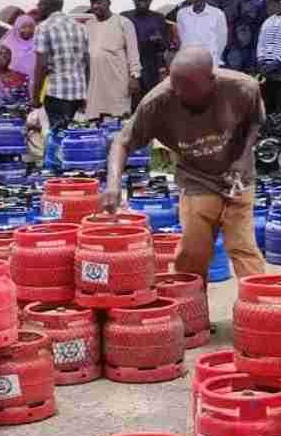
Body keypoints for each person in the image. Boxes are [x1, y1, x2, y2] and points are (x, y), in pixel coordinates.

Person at [103, 47, 266, 283]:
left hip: (238, 177)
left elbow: (255, 121)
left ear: (212, 80)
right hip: (196, 178)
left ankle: (258, 307)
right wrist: (112, 184)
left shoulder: (242, 87)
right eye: (177, 90)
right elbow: (122, 142)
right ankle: (191, 310)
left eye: (191, 92)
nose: (182, 97)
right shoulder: (158, 102)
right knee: (193, 254)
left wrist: (242, 158)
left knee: (244, 248)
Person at [30, 0, 90, 128]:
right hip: (78, 93)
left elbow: (42, 66)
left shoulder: (43, 28)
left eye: (39, 5)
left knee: (57, 137)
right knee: (73, 135)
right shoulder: (81, 27)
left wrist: (35, 98)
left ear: (45, 6)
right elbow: (87, 64)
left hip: (57, 93)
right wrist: (86, 93)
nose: (38, 8)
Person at [84, 0, 141, 119]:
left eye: (100, 2)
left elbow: (133, 52)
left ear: (109, 2)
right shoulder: (88, 25)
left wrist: (134, 76)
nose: (95, 6)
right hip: (95, 82)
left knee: (119, 119)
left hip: (118, 80)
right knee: (95, 120)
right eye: (93, 3)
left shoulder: (123, 22)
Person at [120, 0, 170, 109]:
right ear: (133, 1)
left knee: (152, 104)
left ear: (150, 1)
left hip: (152, 68)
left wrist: (158, 40)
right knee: (132, 106)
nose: (142, 3)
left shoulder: (158, 18)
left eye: (145, 0)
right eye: (138, 0)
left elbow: (165, 44)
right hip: (129, 68)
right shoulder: (125, 16)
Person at [175, 0, 227, 65]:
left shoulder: (217, 14)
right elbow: (182, 36)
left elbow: (222, 40)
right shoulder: (182, 14)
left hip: (210, 60)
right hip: (187, 60)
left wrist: (215, 56)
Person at [0, 13, 38, 97]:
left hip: (34, 88)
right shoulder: (7, 44)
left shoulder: (38, 44)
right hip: (10, 88)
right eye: (23, 27)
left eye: (31, 27)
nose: (27, 30)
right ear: (17, 28)